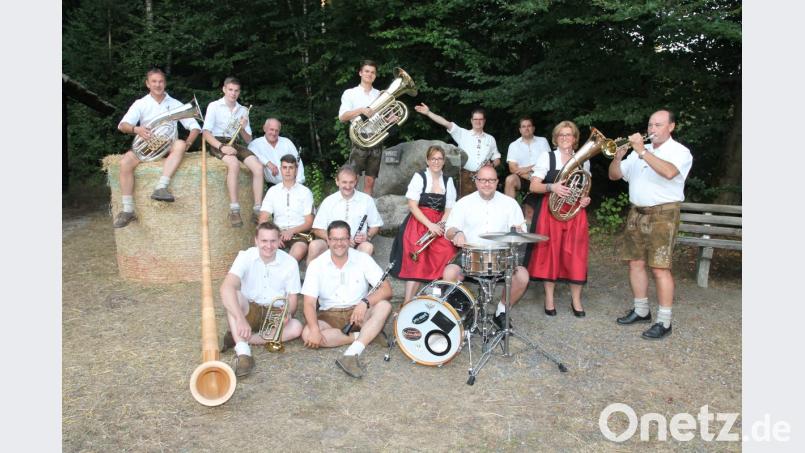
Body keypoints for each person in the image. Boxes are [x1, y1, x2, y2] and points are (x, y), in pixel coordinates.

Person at [608, 110, 693, 340]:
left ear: (671, 127)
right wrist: (618, 157)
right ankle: (641, 310)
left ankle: (664, 321)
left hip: (663, 214)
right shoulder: (636, 153)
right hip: (637, 212)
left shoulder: (680, 152)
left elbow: (668, 172)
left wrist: (642, 151)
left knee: (659, 268)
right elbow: (615, 176)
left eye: (658, 125)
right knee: (635, 263)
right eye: (650, 125)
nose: (652, 129)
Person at [300, 220, 393, 378]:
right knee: (308, 334)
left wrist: (365, 302)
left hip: (359, 313)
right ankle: (366, 335)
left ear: (350, 239)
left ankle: (351, 354)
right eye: (334, 239)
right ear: (328, 240)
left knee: (384, 306)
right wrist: (315, 330)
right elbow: (308, 303)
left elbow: (387, 290)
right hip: (329, 314)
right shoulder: (316, 265)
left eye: (343, 239)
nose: (339, 243)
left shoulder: (362, 259)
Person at [443, 165, 529, 330]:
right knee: (449, 273)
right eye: (482, 180)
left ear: (497, 182)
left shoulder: (510, 204)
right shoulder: (464, 203)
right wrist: (457, 233)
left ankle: (501, 312)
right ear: (476, 181)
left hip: (501, 255)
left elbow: (522, 233)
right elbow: (449, 229)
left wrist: (518, 233)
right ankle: (465, 312)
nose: (487, 184)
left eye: (491, 180)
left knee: (522, 276)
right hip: (470, 253)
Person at [113, 68, 201, 228]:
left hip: (168, 146)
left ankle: (161, 187)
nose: (158, 85)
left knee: (180, 144)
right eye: (154, 81)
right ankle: (127, 210)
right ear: (148, 84)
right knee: (125, 162)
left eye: (160, 81)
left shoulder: (175, 104)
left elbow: (194, 127)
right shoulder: (141, 104)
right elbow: (122, 125)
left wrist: (188, 143)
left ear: (165, 83)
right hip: (147, 146)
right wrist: (137, 129)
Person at [219, 222, 304, 377]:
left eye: (273, 241)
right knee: (234, 295)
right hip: (249, 309)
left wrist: (288, 313)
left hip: (275, 312)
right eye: (264, 241)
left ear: (279, 241)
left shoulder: (290, 263)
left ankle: (245, 338)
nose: (269, 246)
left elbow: (292, 298)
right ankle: (244, 353)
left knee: (297, 327)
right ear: (256, 241)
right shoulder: (245, 256)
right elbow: (226, 287)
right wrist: (240, 319)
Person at [525, 120, 590, 318]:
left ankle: (576, 300)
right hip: (550, 211)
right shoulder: (547, 157)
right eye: (561, 135)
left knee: (576, 255)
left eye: (568, 135)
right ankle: (549, 298)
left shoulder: (584, 159)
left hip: (575, 212)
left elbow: (585, 187)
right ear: (556, 138)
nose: (565, 138)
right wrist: (552, 187)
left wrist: (586, 198)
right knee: (550, 254)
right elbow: (533, 186)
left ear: (575, 138)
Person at [389, 145, 458, 303]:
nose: (436, 162)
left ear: (444, 161)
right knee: (416, 250)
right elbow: (412, 205)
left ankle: (437, 297)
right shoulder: (420, 177)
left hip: (440, 222)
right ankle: (407, 302)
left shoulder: (448, 181)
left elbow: (449, 208)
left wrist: (440, 225)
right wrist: (430, 226)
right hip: (419, 221)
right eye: (433, 158)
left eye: (439, 158)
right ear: (427, 160)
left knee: (448, 249)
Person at [202, 76, 264, 227]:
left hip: (234, 142)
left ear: (239, 92)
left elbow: (248, 139)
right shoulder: (214, 106)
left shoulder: (243, 110)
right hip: (218, 142)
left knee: (258, 167)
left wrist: (243, 127)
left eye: (236, 91)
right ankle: (234, 209)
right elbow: (205, 133)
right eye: (230, 90)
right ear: (224, 89)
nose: (233, 93)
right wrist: (222, 147)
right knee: (234, 164)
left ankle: (257, 209)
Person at [414, 104, 500, 197]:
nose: (478, 122)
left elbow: (497, 159)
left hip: (485, 179)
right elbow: (445, 123)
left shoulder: (491, 139)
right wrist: (428, 113)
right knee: (465, 206)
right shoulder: (462, 134)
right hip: (465, 177)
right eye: (475, 119)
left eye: (480, 119)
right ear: (471, 120)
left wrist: (492, 164)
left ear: (484, 121)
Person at [308, 165, 383, 262]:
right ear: (337, 181)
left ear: (356, 182)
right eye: (344, 182)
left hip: (356, 245)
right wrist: (335, 239)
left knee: (368, 247)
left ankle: (357, 277)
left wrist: (367, 236)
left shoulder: (366, 200)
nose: (348, 186)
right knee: (314, 246)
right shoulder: (328, 201)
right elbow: (317, 229)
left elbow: (376, 225)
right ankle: (310, 277)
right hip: (332, 244)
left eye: (351, 182)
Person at [257, 154, 314, 263]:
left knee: (298, 250)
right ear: (280, 169)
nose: (287, 171)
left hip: (299, 234)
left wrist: (291, 231)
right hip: (277, 233)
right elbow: (263, 219)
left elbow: (309, 222)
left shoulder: (305, 192)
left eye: (291, 168)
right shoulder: (273, 191)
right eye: (284, 167)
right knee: (260, 248)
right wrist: (275, 235)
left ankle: (282, 275)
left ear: (296, 170)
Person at [339, 59, 382, 196]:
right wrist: (361, 110)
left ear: (375, 75)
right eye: (367, 71)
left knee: (370, 181)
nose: (369, 74)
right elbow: (342, 117)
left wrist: (390, 119)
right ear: (360, 73)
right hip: (359, 138)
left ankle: (366, 212)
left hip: (376, 138)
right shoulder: (350, 93)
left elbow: (382, 118)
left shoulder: (380, 94)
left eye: (373, 72)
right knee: (353, 179)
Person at [504, 117, 551, 222]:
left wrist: (527, 168)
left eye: (529, 126)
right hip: (523, 178)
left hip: (541, 177)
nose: (526, 129)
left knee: (530, 213)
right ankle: (510, 213)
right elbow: (512, 168)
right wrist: (528, 175)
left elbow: (548, 161)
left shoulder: (542, 141)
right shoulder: (514, 145)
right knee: (510, 179)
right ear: (520, 130)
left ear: (533, 128)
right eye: (523, 126)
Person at [248, 118, 306, 187]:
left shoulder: (287, 142)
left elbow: (298, 162)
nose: (274, 133)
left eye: (277, 130)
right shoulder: (255, 144)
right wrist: (267, 163)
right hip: (273, 187)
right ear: (264, 128)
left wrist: (298, 183)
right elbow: (250, 152)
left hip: (294, 184)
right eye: (271, 129)